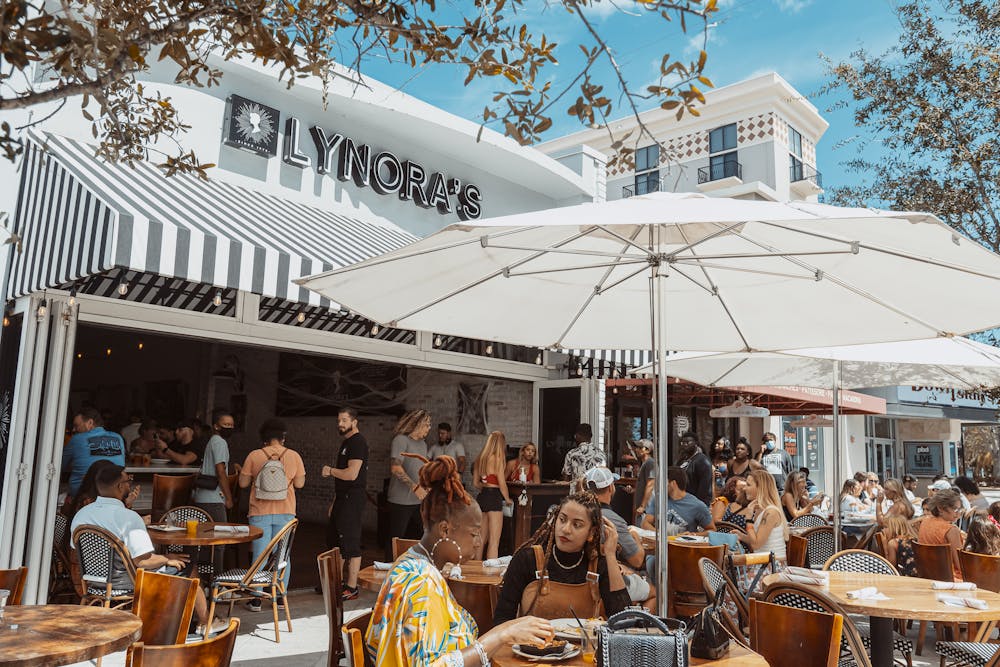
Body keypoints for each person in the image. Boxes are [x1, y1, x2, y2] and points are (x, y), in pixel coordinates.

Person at [365, 455, 553, 667]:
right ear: (445, 529)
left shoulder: (409, 561)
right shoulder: (422, 582)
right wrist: (500, 635)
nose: (479, 542)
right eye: (474, 534)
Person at [70, 464, 226, 634]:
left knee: (175, 563)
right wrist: (167, 558)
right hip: (128, 581)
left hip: (94, 580)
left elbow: (77, 549)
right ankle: (206, 622)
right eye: (127, 481)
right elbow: (143, 561)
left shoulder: (83, 514)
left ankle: (179, 618)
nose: (129, 484)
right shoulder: (128, 517)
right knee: (188, 567)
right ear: (119, 487)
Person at [493, 491, 631, 624]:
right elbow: (502, 619)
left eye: (577, 525)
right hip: (532, 646)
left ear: (591, 532)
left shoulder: (597, 564)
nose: (565, 529)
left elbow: (624, 621)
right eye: (562, 519)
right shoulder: (527, 559)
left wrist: (611, 556)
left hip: (584, 647)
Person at [238, 417, 306, 611]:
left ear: (264, 438)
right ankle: (279, 597)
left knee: (260, 555)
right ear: (283, 437)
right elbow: (300, 484)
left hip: (260, 513)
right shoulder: (293, 456)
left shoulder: (254, 455)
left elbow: (243, 484)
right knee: (283, 556)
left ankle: (257, 599)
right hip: (286, 513)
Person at [584, 466, 656, 610]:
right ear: (611, 487)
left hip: (584, 574)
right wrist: (635, 537)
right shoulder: (612, 519)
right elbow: (637, 560)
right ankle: (637, 630)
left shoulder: (581, 510)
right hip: (603, 579)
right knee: (655, 592)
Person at [322, 407, 368, 601]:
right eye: (338, 420)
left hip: (352, 499)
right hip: (342, 499)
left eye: (344, 420)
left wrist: (330, 470)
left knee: (351, 543)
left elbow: (351, 474)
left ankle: (351, 587)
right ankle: (335, 584)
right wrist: (335, 501)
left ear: (354, 421)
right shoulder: (346, 443)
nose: (340, 424)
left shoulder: (357, 442)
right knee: (336, 543)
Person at [386, 409, 432, 561]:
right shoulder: (400, 440)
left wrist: (427, 485)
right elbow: (395, 467)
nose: (429, 428)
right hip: (400, 501)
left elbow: (421, 470)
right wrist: (415, 487)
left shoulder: (423, 445)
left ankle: (414, 571)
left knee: (423, 537)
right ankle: (388, 573)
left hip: (418, 502)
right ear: (417, 424)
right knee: (395, 541)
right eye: (426, 424)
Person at [62, 407, 126, 498]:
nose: (74, 429)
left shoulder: (77, 439)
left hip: (83, 496)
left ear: (90, 423)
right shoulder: (118, 437)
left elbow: (60, 465)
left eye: (76, 425)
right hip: (114, 495)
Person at [193, 409, 235, 525]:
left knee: (205, 537)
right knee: (219, 537)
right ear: (216, 426)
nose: (229, 427)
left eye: (231, 425)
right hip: (214, 499)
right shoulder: (220, 442)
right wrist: (229, 497)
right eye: (226, 424)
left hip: (203, 497)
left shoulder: (212, 441)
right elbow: (220, 471)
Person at [473, 431, 511, 560]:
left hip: (482, 497)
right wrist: (507, 499)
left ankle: (476, 568)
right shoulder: (498, 458)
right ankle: (491, 572)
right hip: (494, 497)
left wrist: (486, 485)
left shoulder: (480, 458)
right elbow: (502, 483)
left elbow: (475, 483)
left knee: (481, 539)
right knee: (494, 541)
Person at [918, 489, 964, 581]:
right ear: (940, 508)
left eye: (959, 509)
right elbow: (960, 565)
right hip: (950, 579)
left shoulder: (925, 522)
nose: (958, 514)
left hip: (927, 576)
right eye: (955, 509)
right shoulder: (951, 530)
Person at [743, 469, 788, 559]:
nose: (744, 488)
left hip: (773, 566)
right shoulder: (761, 510)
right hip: (762, 564)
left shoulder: (771, 512)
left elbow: (756, 545)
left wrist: (748, 520)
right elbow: (759, 540)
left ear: (760, 488)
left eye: (748, 485)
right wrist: (741, 536)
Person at [663, 466, 715, 534]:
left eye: (664, 482)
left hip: (681, 543)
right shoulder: (659, 500)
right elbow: (646, 523)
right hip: (658, 543)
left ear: (673, 483)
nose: (661, 486)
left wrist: (693, 535)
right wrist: (659, 534)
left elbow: (712, 530)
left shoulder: (697, 505)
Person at [561, 423, 606, 487]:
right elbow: (604, 477)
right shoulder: (601, 454)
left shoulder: (571, 454)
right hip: (596, 495)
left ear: (577, 436)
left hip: (577, 495)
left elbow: (566, 480)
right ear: (591, 436)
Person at [678, 432, 713, 507]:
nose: (685, 445)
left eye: (687, 442)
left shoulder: (702, 460)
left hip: (695, 504)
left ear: (696, 443)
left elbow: (704, 486)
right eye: (683, 442)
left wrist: (696, 504)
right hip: (682, 502)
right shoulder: (682, 460)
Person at [631, 439, 656, 525]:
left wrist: (642, 506)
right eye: (636, 447)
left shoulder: (650, 463)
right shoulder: (644, 464)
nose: (637, 449)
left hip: (647, 509)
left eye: (640, 447)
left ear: (648, 450)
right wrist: (634, 490)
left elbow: (650, 484)